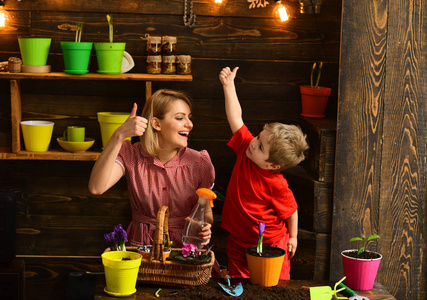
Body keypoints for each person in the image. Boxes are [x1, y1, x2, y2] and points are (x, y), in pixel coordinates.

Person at [88, 89, 215, 249]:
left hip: (184, 249)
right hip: (141, 246)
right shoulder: (131, 154)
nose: (189, 124)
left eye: (189, 117)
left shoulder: (200, 162)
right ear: (156, 124)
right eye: (180, 118)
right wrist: (119, 135)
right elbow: (96, 187)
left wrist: (205, 226)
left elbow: (206, 212)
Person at [219, 67, 309, 280]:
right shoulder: (245, 148)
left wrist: (293, 237)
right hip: (239, 239)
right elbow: (235, 117)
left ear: (273, 166)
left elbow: (291, 210)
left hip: (270, 244)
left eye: (260, 147)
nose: (254, 143)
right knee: (240, 284)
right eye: (258, 138)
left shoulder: (276, 184)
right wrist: (229, 85)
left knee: (274, 284)